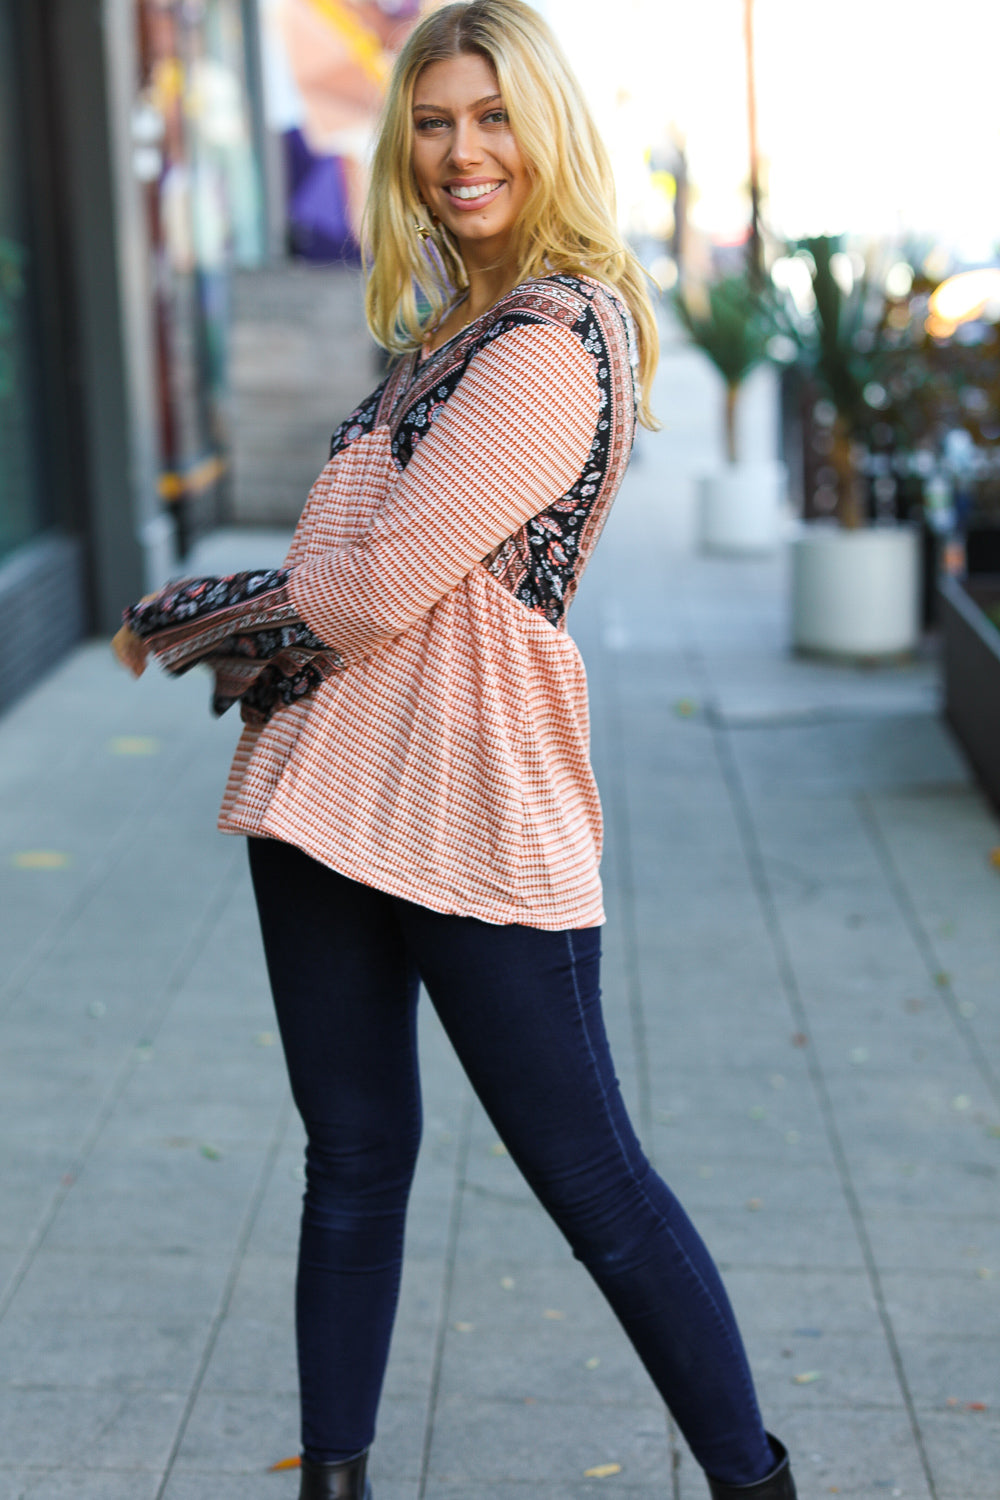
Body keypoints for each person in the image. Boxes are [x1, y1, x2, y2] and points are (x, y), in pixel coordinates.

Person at [113, 4, 798, 1497]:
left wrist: (217, 608)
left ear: (546, 128)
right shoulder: (450, 335)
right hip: (326, 795)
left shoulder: (558, 337)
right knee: (351, 1167)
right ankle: (336, 1482)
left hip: (473, 800)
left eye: (491, 117)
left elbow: (357, 586)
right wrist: (293, 606)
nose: (461, 151)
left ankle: (755, 1483)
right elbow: (356, 577)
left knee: (594, 1184)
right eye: (433, 123)